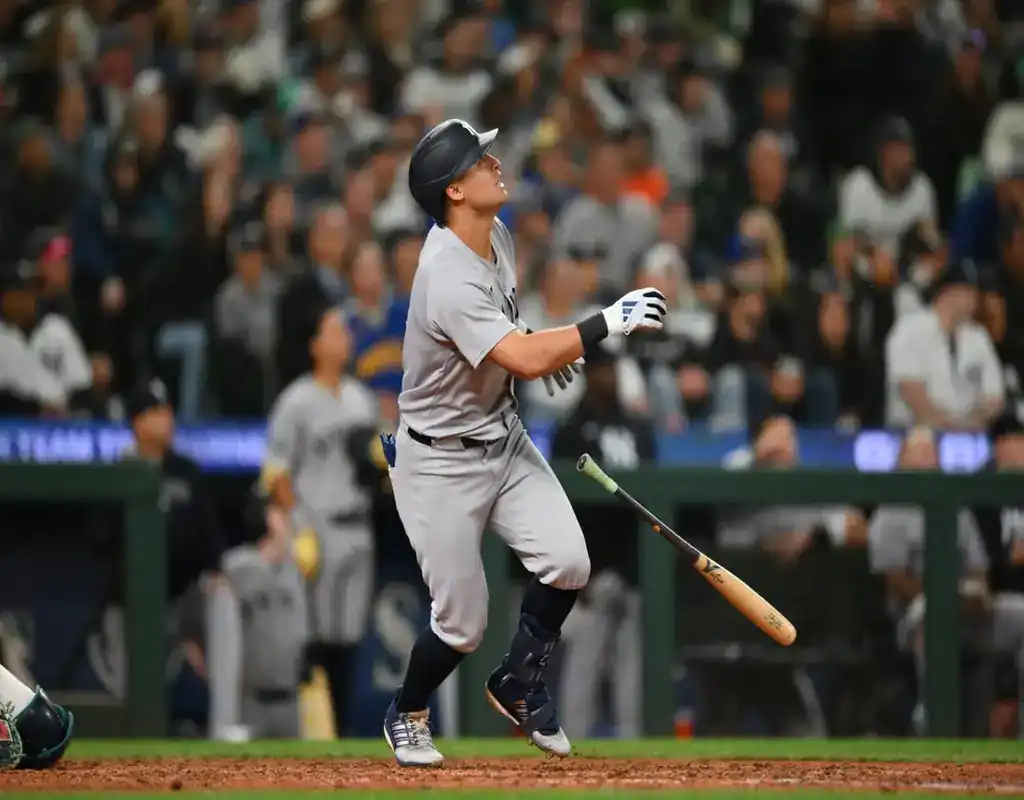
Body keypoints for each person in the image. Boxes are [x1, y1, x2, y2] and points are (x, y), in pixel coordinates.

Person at [381, 118, 667, 767]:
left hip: (501, 440)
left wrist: (538, 339)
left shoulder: (497, 236)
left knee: (569, 561)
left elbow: (510, 334)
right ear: (453, 191)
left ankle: (517, 680)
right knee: (462, 626)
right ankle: (407, 709)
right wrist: (603, 323)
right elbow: (520, 354)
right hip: (439, 462)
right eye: (479, 160)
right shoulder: (443, 271)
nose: (494, 161)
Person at [261, 306, 384, 737]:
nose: (344, 340)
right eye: (334, 332)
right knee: (312, 638)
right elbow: (276, 473)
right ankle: (310, 737)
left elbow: (379, 466)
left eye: (345, 333)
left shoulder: (361, 399)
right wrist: (297, 525)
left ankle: (343, 739)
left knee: (349, 637)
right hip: (317, 528)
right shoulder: (296, 400)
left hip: (358, 524)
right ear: (315, 344)